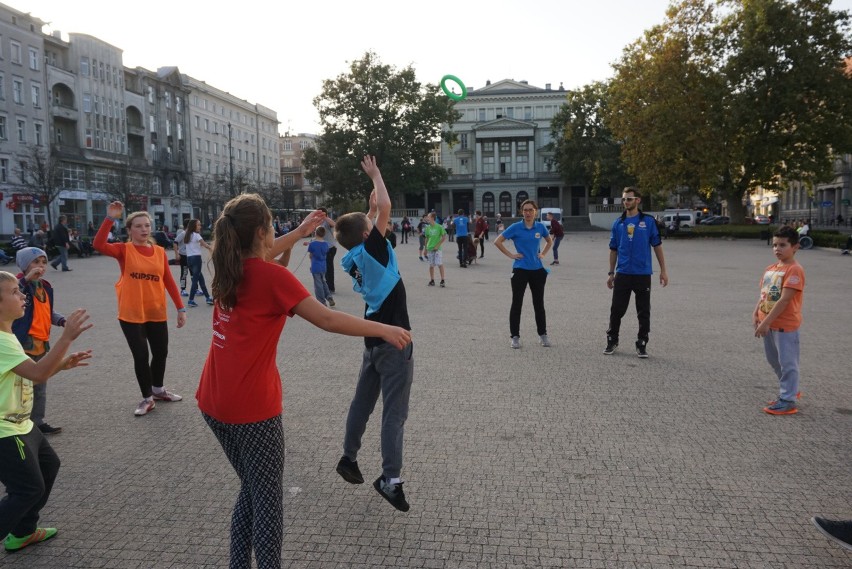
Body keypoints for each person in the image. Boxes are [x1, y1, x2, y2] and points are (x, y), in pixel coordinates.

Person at [197, 194, 410, 569]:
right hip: (251, 408)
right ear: (262, 232)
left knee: (250, 488)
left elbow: (263, 252)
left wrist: (298, 231)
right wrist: (385, 328)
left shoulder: (227, 265)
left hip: (212, 401)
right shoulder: (271, 276)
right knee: (265, 499)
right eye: (272, 229)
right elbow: (327, 320)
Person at [333, 155, 414, 513]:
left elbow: (370, 214)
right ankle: (390, 479)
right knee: (394, 414)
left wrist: (368, 209)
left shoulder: (352, 257)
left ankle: (348, 457)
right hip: (394, 340)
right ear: (368, 234)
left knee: (361, 404)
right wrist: (376, 173)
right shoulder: (375, 248)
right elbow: (386, 206)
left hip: (371, 341)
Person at [0, 273, 91, 553]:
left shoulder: (7, 334)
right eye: (15, 292)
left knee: (49, 466)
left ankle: (23, 532)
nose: (22, 296)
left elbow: (28, 371)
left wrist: (60, 365)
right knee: (27, 489)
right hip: (5, 429)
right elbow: (38, 374)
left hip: (22, 424)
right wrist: (66, 338)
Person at [94, 203, 186, 416]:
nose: (144, 229)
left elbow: (168, 281)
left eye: (147, 225)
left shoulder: (159, 252)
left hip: (155, 311)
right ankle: (147, 398)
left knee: (161, 352)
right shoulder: (123, 250)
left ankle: (158, 389)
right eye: (138, 226)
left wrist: (181, 308)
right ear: (129, 230)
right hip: (131, 313)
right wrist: (109, 218)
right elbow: (98, 244)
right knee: (141, 355)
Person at [604, 187, 668, 358]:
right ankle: (612, 339)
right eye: (624, 199)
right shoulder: (618, 223)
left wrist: (663, 270)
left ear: (638, 200)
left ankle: (642, 342)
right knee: (616, 309)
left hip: (642, 273)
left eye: (630, 199)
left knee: (643, 310)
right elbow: (613, 250)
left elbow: (657, 246)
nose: (626, 202)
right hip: (623, 273)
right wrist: (611, 273)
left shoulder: (648, 222)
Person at [11, 248, 67, 436]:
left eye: (43, 262)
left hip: (41, 343)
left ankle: (37, 421)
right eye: (36, 262)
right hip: (24, 343)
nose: (40, 267)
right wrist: (26, 279)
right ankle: (19, 421)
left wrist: (62, 320)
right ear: (25, 266)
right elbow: (12, 293)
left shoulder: (45, 286)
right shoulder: (18, 285)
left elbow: (47, 310)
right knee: (21, 388)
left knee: (40, 385)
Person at [753, 225, 805, 415]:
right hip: (769, 323)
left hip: (785, 325)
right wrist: (756, 313)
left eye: (783, 245)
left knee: (788, 362)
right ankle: (790, 389)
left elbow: (784, 300)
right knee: (774, 360)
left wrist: (766, 323)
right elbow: (764, 294)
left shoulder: (794, 270)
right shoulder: (771, 269)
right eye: (775, 245)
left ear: (795, 247)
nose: (777, 249)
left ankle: (788, 399)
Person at [493, 200, 553, 349]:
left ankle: (543, 335)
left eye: (530, 210)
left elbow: (549, 241)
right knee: (517, 304)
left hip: (537, 270)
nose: (528, 213)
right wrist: (511, 255)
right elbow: (497, 241)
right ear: (522, 212)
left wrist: (543, 254)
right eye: (525, 210)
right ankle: (515, 336)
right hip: (520, 270)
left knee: (539, 304)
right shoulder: (516, 227)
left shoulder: (540, 226)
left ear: (535, 212)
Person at [184, 219, 214, 308]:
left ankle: (208, 298)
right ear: (194, 226)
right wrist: (212, 248)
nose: (200, 226)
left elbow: (197, 245)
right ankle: (191, 300)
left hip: (189, 259)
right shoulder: (196, 235)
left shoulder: (187, 235)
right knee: (195, 280)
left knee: (200, 279)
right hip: (196, 259)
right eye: (198, 225)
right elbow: (204, 244)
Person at [307, 226, 334, 307]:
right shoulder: (326, 244)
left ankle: (321, 302)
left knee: (318, 284)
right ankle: (329, 297)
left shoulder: (312, 244)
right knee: (323, 282)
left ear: (316, 233)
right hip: (323, 266)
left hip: (315, 265)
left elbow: (311, 256)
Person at [317, 208, 338, 294]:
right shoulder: (319, 223)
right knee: (325, 267)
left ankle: (331, 287)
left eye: (319, 214)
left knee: (329, 267)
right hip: (323, 247)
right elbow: (318, 236)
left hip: (330, 247)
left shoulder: (327, 221)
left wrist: (324, 217)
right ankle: (326, 285)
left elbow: (334, 224)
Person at [423, 212, 446, 288]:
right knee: (431, 265)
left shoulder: (439, 227)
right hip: (430, 248)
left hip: (437, 249)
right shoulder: (427, 228)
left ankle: (442, 280)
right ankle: (432, 280)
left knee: (439, 264)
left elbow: (444, 237)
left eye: (428, 217)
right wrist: (425, 249)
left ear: (432, 218)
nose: (427, 218)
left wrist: (437, 245)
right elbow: (426, 238)